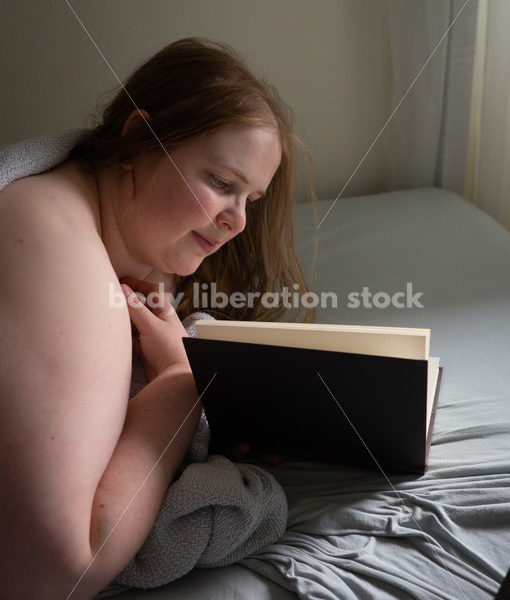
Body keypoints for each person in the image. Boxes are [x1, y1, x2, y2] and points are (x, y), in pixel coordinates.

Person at [0, 38, 312, 599]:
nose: (237, 222)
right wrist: (180, 389)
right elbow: (52, 570)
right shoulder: (53, 238)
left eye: (252, 199)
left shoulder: (140, 238)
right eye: (221, 183)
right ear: (139, 138)